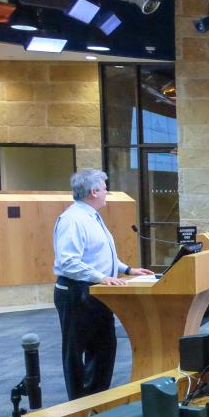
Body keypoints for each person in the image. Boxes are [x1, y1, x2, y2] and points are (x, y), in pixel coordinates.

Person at [52, 170, 154, 399]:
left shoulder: (91, 216)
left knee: (104, 349)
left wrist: (127, 270)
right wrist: (100, 277)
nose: (107, 191)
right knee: (76, 352)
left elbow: (99, 255)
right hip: (76, 292)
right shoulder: (73, 220)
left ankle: (95, 399)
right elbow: (68, 262)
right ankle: (78, 405)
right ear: (93, 191)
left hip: (96, 292)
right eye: (104, 187)